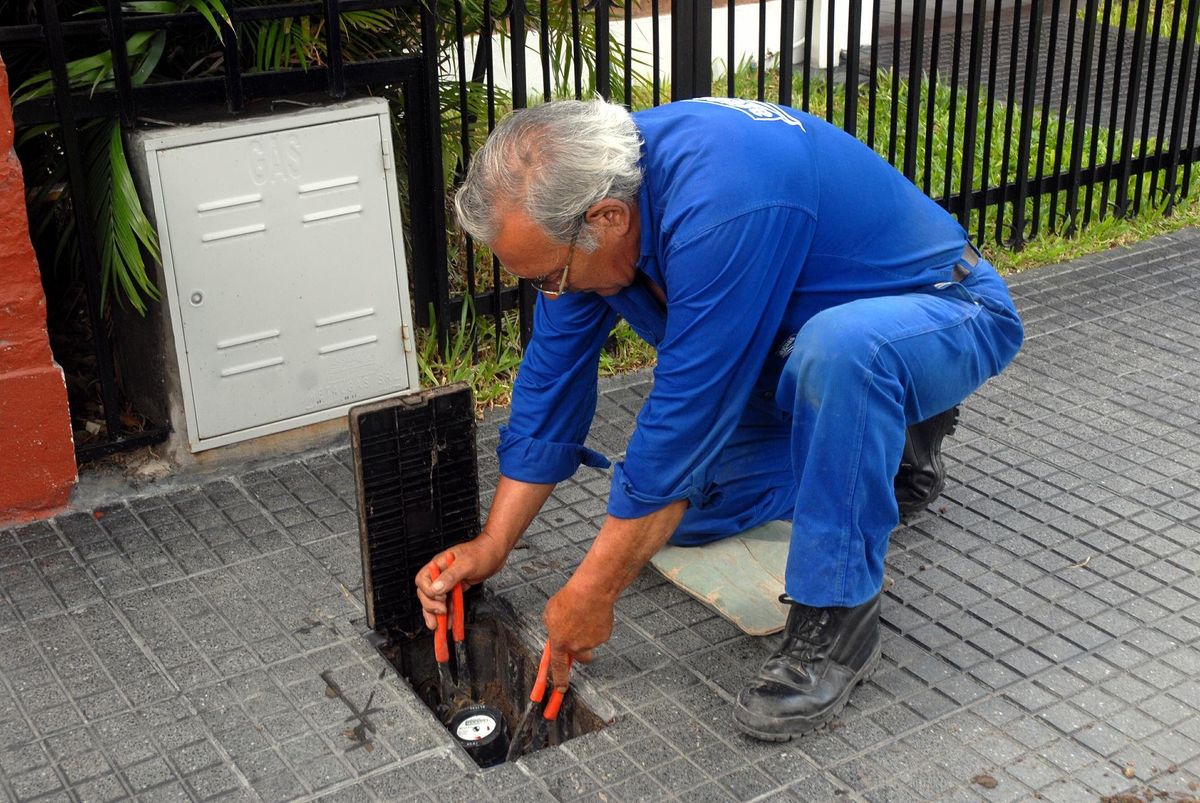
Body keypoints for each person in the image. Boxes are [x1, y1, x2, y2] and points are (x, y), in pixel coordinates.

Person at [414, 97, 1024, 740]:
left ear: (608, 219)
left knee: (845, 353)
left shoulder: (723, 202)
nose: (551, 292)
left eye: (550, 277)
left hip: (941, 311)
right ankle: (885, 444)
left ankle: (839, 616)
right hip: (783, 356)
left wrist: (594, 592)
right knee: (680, 517)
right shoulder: (586, 199)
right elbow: (550, 382)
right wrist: (493, 545)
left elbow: (687, 414)